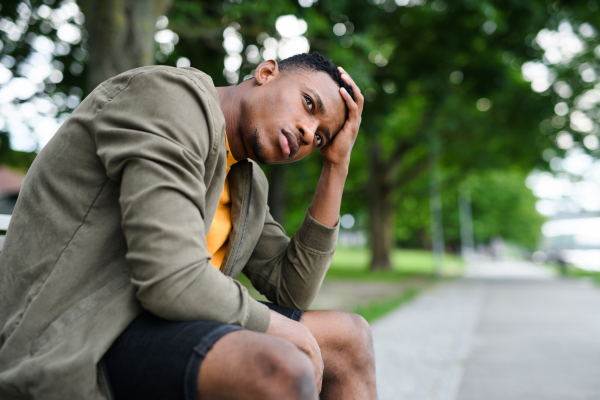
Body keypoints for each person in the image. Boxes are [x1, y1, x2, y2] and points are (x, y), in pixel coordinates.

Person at [0, 52, 376, 400]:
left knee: (350, 339)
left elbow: (292, 291)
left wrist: (336, 165)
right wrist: (286, 331)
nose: (310, 133)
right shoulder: (169, 100)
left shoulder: (247, 182)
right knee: (279, 364)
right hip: (80, 334)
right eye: (309, 104)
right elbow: (171, 278)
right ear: (266, 73)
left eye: (321, 137)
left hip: (162, 326)